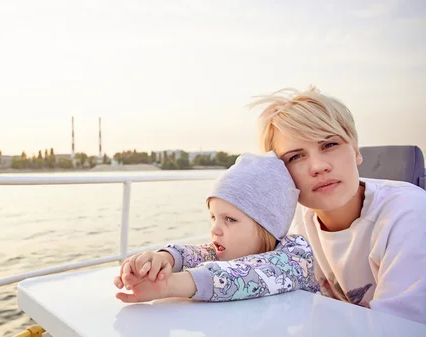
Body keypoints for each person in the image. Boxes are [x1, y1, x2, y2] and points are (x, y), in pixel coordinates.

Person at [118, 86, 426, 325]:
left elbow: (399, 328)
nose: (317, 166)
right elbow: (242, 259)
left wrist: (179, 284)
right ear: (282, 175)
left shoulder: (407, 216)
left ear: (355, 149)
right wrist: (166, 259)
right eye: (295, 156)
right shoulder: (293, 221)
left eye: (329, 144)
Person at [113, 151, 320, 303]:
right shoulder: (228, 252)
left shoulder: (296, 256)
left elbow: (246, 274)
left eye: (229, 219)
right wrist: (162, 260)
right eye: (213, 217)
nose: (215, 229)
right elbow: (196, 254)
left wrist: (170, 286)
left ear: (268, 226)